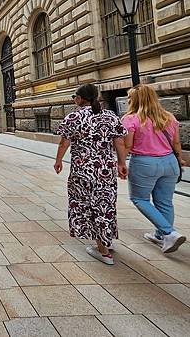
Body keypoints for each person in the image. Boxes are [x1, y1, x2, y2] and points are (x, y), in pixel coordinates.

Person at [54, 84, 128, 265]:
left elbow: (64, 143)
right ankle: (105, 241)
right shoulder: (110, 116)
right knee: (105, 205)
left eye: (74, 96)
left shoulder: (74, 117)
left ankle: (103, 251)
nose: (74, 99)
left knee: (87, 206)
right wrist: (121, 163)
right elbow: (119, 142)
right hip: (106, 171)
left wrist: (58, 161)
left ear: (79, 98)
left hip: (83, 172)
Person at [123, 84, 187, 253]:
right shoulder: (169, 117)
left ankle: (169, 232)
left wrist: (120, 162)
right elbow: (176, 143)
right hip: (170, 163)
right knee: (165, 202)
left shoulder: (131, 119)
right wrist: (179, 159)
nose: (128, 100)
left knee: (140, 199)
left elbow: (127, 145)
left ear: (136, 100)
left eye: (130, 97)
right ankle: (161, 236)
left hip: (145, 163)